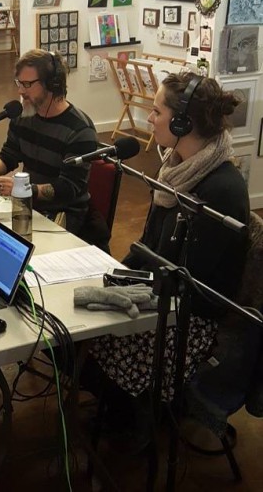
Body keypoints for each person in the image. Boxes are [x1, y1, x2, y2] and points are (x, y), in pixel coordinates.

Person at [84, 73, 250, 444]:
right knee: (75, 326)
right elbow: (147, 247)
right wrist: (112, 277)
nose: (149, 119)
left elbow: (191, 281)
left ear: (182, 123)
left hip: (189, 317)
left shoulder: (221, 190)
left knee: (85, 345)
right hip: (163, 294)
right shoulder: (176, 170)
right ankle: (125, 408)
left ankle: (136, 415)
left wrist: (123, 292)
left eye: (157, 111)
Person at [0, 49, 108, 248]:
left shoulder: (80, 130)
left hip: (65, 218)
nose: (20, 91)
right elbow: (8, 156)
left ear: (52, 84)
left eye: (27, 84)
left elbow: (68, 188)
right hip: (29, 207)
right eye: (19, 83)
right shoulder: (23, 116)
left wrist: (24, 190)